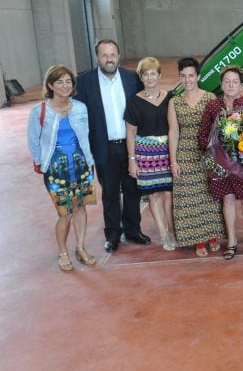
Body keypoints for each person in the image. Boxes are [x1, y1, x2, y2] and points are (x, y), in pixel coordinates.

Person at [74, 39, 149, 253]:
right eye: (104, 55)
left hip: (130, 145)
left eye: (112, 54)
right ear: (97, 57)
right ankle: (113, 234)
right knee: (109, 193)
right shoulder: (84, 82)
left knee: (133, 189)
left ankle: (133, 230)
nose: (109, 59)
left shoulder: (131, 78)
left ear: (118, 56)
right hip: (103, 147)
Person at [28, 65, 96, 271]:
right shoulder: (39, 111)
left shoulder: (80, 108)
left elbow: (86, 135)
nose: (65, 86)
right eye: (60, 82)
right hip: (56, 170)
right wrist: (42, 164)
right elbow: (34, 141)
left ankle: (81, 247)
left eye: (68, 81)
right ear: (50, 85)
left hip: (81, 165)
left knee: (81, 208)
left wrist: (90, 160)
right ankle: (63, 252)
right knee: (64, 213)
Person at [198, 66, 243, 259]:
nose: (231, 85)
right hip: (221, 165)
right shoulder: (213, 107)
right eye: (227, 81)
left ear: (241, 85)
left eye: (235, 82)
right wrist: (216, 149)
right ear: (221, 84)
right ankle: (231, 240)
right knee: (228, 200)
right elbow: (203, 136)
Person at [167, 57, 224, 258]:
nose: (187, 80)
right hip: (185, 155)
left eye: (191, 75)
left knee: (210, 196)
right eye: (183, 76)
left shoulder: (210, 98)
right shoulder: (174, 101)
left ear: (198, 76)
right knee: (191, 199)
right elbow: (173, 132)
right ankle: (198, 240)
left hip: (207, 154)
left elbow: (217, 128)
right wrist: (173, 161)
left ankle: (212, 236)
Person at [125, 57, 175, 251]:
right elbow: (130, 132)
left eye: (153, 73)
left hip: (167, 151)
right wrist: (132, 161)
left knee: (169, 194)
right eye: (145, 74)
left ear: (159, 75)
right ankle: (163, 234)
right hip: (146, 154)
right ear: (141, 77)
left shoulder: (170, 98)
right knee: (154, 195)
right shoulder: (134, 101)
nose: (149, 77)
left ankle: (173, 230)